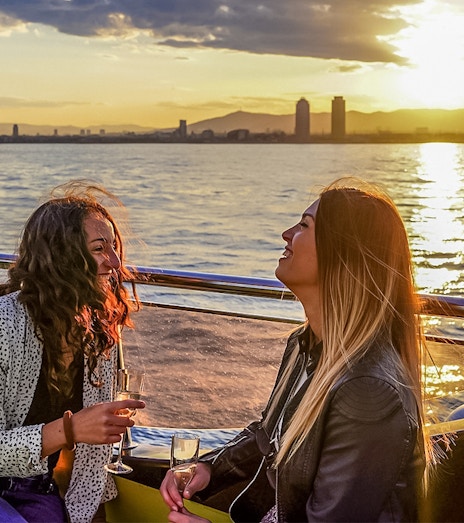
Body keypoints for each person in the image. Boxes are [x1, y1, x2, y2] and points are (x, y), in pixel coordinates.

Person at [160, 179, 428, 522]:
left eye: (304, 225)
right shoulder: (306, 345)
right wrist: (209, 468)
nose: (287, 234)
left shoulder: (368, 390)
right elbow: (269, 436)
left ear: (342, 252)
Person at [0, 181, 145, 523]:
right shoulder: (4, 323)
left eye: (113, 247)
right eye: (98, 249)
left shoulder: (98, 331)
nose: (114, 262)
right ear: (60, 257)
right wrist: (69, 431)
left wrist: (95, 510)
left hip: (37, 491)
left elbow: (95, 457)